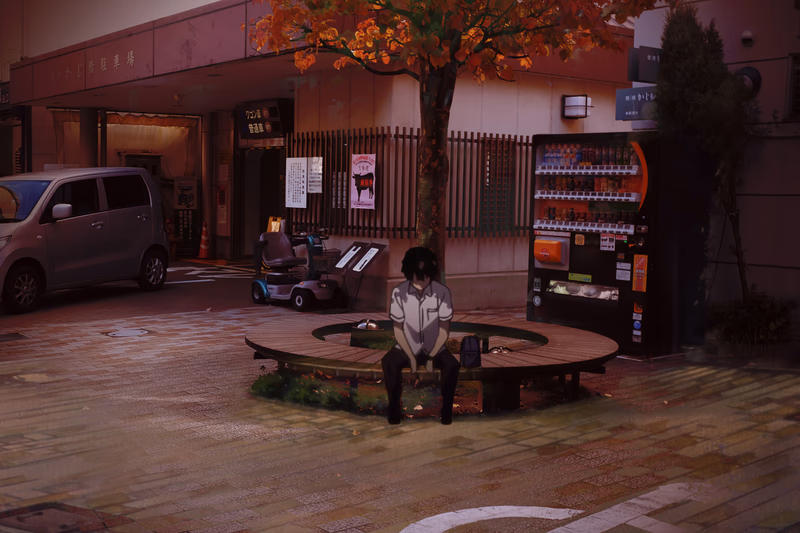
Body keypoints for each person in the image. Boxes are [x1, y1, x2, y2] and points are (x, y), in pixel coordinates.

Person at [382, 247, 460, 425]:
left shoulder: (442, 292)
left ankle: (446, 415)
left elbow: (444, 328)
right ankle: (393, 414)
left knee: (452, 366)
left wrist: (432, 356)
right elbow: (398, 329)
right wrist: (410, 357)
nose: (421, 281)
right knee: (389, 363)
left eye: (425, 276)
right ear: (409, 274)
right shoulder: (398, 293)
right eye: (417, 277)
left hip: (435, 348)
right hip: (405, 347)